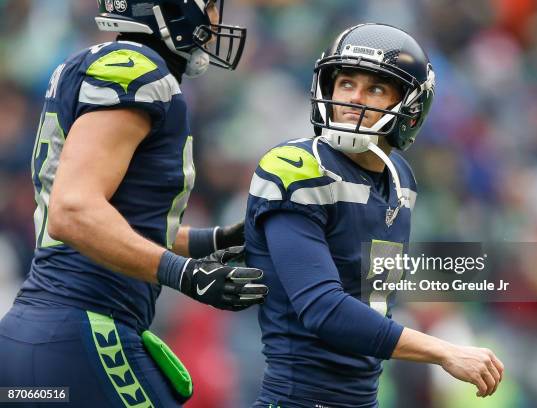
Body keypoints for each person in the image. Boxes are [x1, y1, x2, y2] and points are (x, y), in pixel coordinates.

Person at [0, 1, 267, 406]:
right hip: (85, 331)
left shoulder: (92, 62)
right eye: (209, 5)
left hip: (42, 334)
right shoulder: (137, 70)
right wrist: (188, 274)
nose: (215, 20)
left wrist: (207, 243)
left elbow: (114, 222)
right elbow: (73, 213)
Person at [245, 23, 504, 407]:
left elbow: (369, 297)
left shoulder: (401, 180)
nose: (353, 98)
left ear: (410, 107)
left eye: (376, 88)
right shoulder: (295, 166)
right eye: (346, 82)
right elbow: (324, 309)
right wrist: (443, 350)